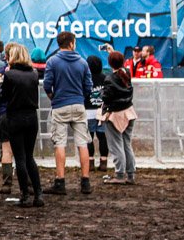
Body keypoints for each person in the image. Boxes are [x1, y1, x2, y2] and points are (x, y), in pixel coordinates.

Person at [0, 43, 43, 207]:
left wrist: (1, 82)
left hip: (15, 117)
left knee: (19, 158)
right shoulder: (34, 74)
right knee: (29, 157)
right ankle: (38, 194)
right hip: (31, 117)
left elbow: (4, 96)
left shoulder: (10, 75)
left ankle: (25, 195)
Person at [42, 31, 93, 195]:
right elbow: (88, 87)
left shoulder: (52, 61)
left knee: (60, 143)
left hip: (60, 105)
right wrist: (80, 97)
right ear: (71, 43)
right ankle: (85, 182)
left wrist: (53, 97)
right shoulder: (83, 62)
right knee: (82, 143)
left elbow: (47, 84)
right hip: (78, 105)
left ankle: (60, 181)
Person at [100, 51, 137, 185]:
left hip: (115, 115)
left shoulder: (109, 79)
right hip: (129, 112)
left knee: (116, 145)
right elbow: (120, 66)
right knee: (126, 144)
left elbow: (106, 97)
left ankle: (120, 174)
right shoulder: (126, 72)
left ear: (110, 63)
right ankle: (130, 174)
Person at [86, 54, 110, 173]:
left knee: (88, 137)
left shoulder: (85, 78)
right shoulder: (105, 78)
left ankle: (90, 162)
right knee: (102, 137)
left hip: (88, 112)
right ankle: (103, 162)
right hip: (102, 112)